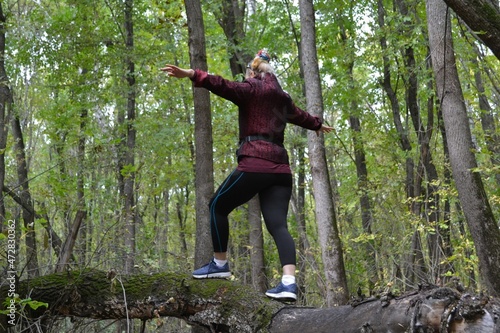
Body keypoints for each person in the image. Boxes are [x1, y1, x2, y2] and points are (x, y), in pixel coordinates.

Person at [161, 50, 333, 302]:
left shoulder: (250, 88)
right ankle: (288, 283)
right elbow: (301, 116)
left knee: (217, 206)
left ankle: (220, 264)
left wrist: (191, 74)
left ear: (252, 72)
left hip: (255, 163)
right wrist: (318, 124)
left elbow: (220, 84)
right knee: (278, 225)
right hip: (281, 171)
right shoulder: (283, 99)